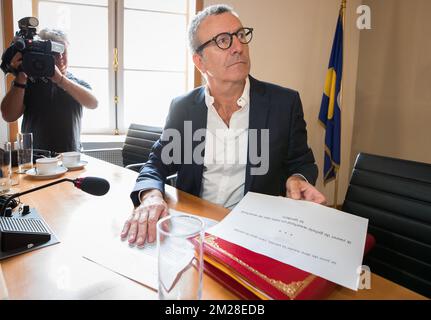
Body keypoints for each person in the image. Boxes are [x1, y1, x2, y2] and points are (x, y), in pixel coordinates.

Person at [121, 4, 326, 247]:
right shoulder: (183, 108)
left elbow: (302, 162)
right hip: (194, 229)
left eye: (240, 35)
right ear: (199, 61)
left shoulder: (284, 103)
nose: (238, 47)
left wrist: (297, 178)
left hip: (256, 234)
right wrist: (152, 196)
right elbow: (156, 164)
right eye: (223, 40)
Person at [1, 28, 98, 153]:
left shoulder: (76, 83)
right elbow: (9, 115)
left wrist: (61, 80)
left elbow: (94, 103)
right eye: (56, 52)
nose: (61, 56)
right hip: (34, 159)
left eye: (64, 51)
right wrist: (21, 75)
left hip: (70, 157)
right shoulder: (28, 80)